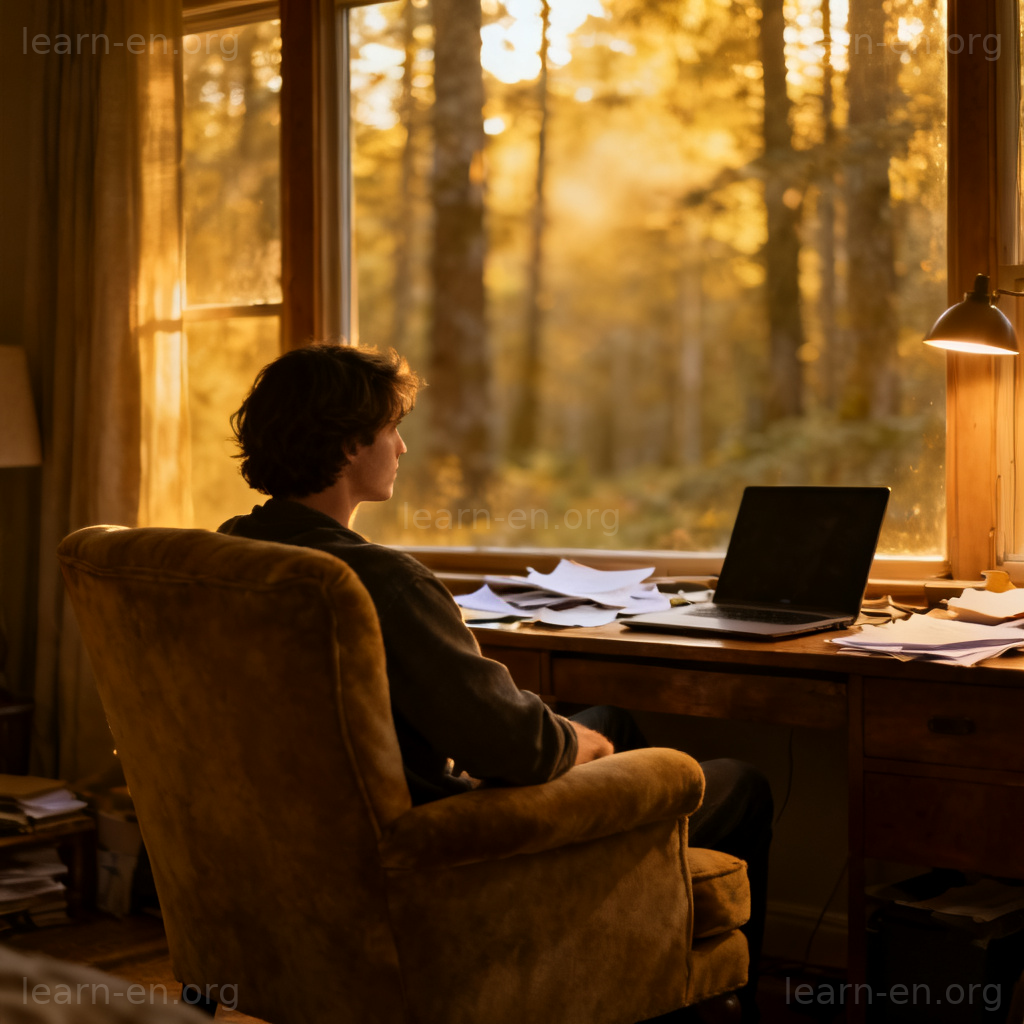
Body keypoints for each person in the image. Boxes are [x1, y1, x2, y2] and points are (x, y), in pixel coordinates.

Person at [219, 343, 771, 1022]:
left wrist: (579, 735)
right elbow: (518, 750)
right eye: (392, 429)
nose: (403, 446)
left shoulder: (228, 557)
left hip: (301, 863)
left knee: (610, 723)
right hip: (440, 855)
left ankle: (620, 940)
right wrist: (578, 745)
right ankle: (669, 996)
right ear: (350, 443)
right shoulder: (381, 584)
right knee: (734, 781)